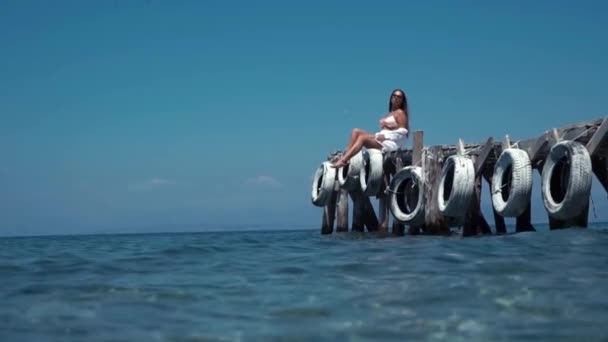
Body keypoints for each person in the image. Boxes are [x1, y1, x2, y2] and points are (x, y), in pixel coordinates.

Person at [331, 89, 410, 168]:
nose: (396, 98)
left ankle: (343, 161)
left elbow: (403, 132)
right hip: (381, 139)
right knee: (355, 131)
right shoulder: (389, 113)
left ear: (402, 100)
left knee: (362, 138)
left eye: (399, 97)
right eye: (394, 95)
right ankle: (345, 156)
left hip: (391, 143)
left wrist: (386, 137)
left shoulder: (400, 113)